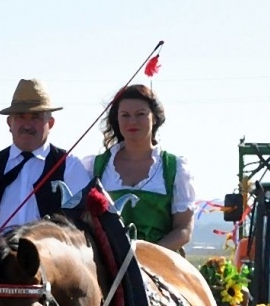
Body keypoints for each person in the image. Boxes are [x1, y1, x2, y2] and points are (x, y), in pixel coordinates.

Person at [0, 79, 92, 242]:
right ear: (10, 122)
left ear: (50, 123)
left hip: (51, 256)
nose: (27, 125)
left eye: (35, 117)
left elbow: (85, 229)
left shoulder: (70, 167)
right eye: (21, 117)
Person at [83, 84, 196, 252]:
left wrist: (145, 256)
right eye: (125, 115)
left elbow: (183, 229)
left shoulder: (175, 168)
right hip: (107, 262)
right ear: (117, 119)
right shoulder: (94, 167)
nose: (132, 121)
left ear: (154, 118)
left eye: (140, 114)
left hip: (160, 260)